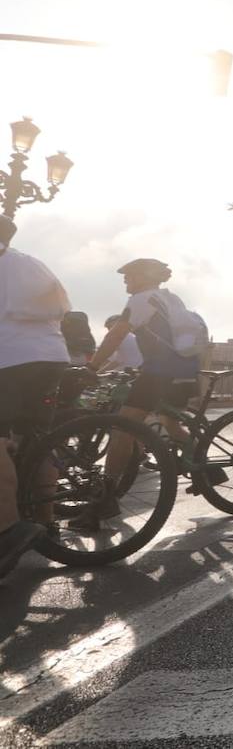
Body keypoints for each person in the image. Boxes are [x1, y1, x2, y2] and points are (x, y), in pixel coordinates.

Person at [84, 259, 205, 528]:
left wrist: (91, 367)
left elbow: (115, 336)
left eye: (129, 276)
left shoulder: (141, 300)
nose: (125, 281)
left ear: (144, 276)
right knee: (170, 423)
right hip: (184, 372)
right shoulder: (170, 299)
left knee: (122, 429)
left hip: (160, 372)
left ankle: (106, 497)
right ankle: (205, 467)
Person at [0, 215, 69, 575]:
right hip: (50, 356)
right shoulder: (29, 263)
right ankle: (46, 519)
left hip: (10, 358)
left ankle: (7, 531)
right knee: (35, 437)